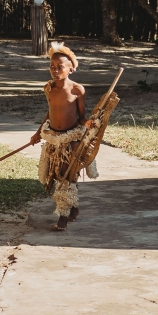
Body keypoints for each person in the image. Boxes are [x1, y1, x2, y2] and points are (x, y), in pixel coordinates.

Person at [29, 42, 98, 231]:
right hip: (54, 139)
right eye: (52, 66)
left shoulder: (77, 90)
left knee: (66, 176)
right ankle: (73, 207)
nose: (55, 70)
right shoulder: (49, 89)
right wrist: (38, 133)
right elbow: (49, 113)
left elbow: (82, 117)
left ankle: (63, 216)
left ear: (71, 69)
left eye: (60, 67)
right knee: (59, 174)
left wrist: (88, 124)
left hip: (71, 140)